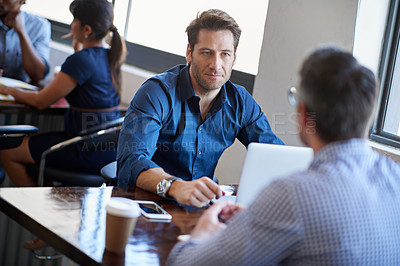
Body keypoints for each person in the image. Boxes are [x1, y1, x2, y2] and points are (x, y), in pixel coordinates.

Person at [167, 47, 400, 265]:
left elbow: (186, 263)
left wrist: (202, 232)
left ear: (302, 113)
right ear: (368, 115)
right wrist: (264, 217)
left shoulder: (292, 196)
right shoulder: (395, 178)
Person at [117, 9, 283, 207]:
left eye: (225, 54)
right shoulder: (156, 93)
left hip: (201, 207)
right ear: (189, 52)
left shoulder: (241, 101)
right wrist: (175, 187)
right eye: (207, 53)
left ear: (234, 58)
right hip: (148, 204)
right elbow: (132, 160)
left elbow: (275, 155)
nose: (216, 64)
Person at [0, 0, 126, 187]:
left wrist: (6, 89)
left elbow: (40, 102)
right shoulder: (110, 56)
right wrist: (78, 50)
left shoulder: (80, 60)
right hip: (105, 149)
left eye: (74, 19)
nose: (70, 24)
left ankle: (33, 209)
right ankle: (43, 201)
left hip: (83, 149)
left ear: (86, 29)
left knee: (7, 151)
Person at [0, 0, 50, 84]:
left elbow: (37, 75)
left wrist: (21, 32)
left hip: (18, 92)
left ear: (21, 1)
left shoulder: (39, 26)